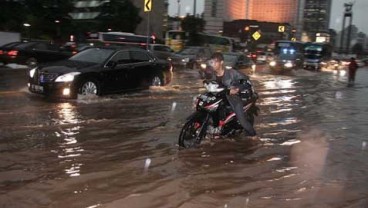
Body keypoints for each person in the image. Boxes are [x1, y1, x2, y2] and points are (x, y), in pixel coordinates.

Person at [206, 52, 257, 136]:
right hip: (219, 97)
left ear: (221, 62)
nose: (213, 64)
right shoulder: (212, 74)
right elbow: (209, 84)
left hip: (233, 98)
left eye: (215, 62)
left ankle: (253, 135)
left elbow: (246, 81)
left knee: (242, 121)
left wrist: (237, 89)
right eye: (211, 62)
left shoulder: (232, 73)